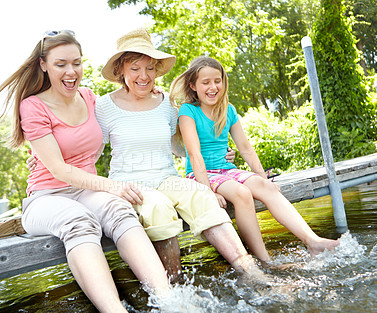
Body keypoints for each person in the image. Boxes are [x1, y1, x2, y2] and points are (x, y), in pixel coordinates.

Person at [0, 30, 171, 313]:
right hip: (46, 197)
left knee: (120, 209)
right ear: (43, 65)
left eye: (76, 63)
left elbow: (114, 133)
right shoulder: (33, 105)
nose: (71, 72)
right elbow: (58, 169)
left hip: (87, 190)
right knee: (79, 220)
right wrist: (109, 184)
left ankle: (170, 300)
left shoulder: (88, 97)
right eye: (61, 64)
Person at [95, 28, 268, 283]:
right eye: (135, 68)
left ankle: (253, 274)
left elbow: (182, 146)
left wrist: (219, 153)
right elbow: (89, 153)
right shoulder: (104, 106)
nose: (144, 76)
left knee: (202, 195)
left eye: (150, 68)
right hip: (130, 184)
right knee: (158, 207)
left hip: (167, 178)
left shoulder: (166, 104)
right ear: (120, 70)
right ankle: (174, 289)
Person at [170, 56, 340, 265]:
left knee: (265, 187)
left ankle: (313, 241)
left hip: (226, 170)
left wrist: (262, 177)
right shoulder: (189, 111)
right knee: (242, 194)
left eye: (217, 80)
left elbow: (246, 148)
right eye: (205, 82)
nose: (213, 87)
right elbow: (195, 155)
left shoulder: (228, 110)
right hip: (200, 175)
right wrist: (208, 192)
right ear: (193, 85)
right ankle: (264, 260)